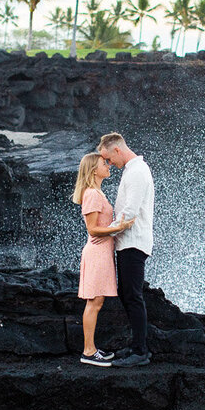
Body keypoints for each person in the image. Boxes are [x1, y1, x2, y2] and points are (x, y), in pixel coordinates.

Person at [97, 133, 155, 367]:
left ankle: (140, 352)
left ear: (117, 151)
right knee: (127, 293)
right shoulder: (132, 170)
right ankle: (136, 346)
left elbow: (129, 213)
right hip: (127, 241)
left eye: (108, 159)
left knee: (132, 295)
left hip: (134, 241)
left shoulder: (138, 171)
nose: (109, 164)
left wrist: (102, 234)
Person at [71, 152, 134, 367]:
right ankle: (88, 352)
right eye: (103, 163)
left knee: (96, 301)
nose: (107, 165)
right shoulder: (92, 194)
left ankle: (91, 350)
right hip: (97, 252)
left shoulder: (97, 192)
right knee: (94, 301)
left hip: (102, 252)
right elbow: (92, 229)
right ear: (93, 170)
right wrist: (119, 227)